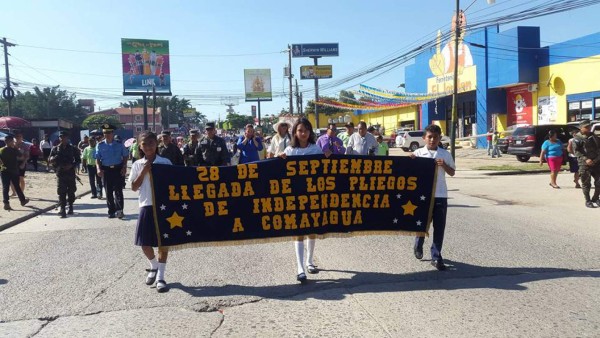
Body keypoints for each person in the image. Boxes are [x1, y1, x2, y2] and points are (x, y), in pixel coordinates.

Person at [278, 117, 331, 284]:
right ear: (295, 132)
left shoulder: (316, 150)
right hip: (295, 196)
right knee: (298, 230)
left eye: (306, 130)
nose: (303, 133)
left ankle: (310, 261)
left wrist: (327, 157)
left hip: (313, 195)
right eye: (300, 130)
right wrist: (280, 159)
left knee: (312, 228)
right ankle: (300, 267)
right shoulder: (290, 151)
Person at [129, 131, 172, 293]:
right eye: (145, 144)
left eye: (151, 143)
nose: (148, 147)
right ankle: (153, 265)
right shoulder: (137, 164)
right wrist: (144, 170)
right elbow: (133, 187)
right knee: (144, 242)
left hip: (163, 207)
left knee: (163, 243)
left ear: (157, 144)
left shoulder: (165, 162)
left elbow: (174, 183)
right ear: (140, 146)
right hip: (146, 205)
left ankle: (161, 276)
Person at [412, 124, 456, 271]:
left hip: (440, 195)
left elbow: (452, 172)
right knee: (422, 224)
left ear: (439, 139)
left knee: (439, 227)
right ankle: (418, 244)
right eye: (429, 137)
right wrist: (409, 160)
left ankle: (436, 257)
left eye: (435, 137)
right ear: (424, 138)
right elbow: (407, 170)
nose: (432, 140)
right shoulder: (418, 153)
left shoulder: (445, 154)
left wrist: (444, 165)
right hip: (423, 195)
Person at [95, 124, 129, 219]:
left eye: (109, 132)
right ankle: (111, 211)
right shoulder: (100, 145)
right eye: (105, 133)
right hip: (106, 170)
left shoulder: (119, 144)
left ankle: (119, 210)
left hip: (118, 169)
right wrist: (98, 168)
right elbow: (97, 158)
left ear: (113, 133)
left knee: (118, 191)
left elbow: (125, 155)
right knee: (108, 191)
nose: (107, 134)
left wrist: (124, 166)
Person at [49, 131, 81, 218]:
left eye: (65, 137)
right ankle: (62, 209)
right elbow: (50, 159)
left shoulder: (72, 148)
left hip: (70, 173)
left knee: (71, 191)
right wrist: (56, 157)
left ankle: (70, 206)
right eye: (61, 137)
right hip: (61, 173)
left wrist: (72, 165)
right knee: (61, 192)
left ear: (67, 138)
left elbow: (78, 160)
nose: (63, 139)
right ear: (59, 138)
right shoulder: (55, 149)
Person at [572, 120, 600, 208]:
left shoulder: (593, 135)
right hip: (585, 164)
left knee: (599, 181)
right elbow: (576, 152)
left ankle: (595, 198)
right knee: (586, 183)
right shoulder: (577, 138)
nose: (588, 128)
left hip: (596, 162)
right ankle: (588, 200)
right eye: (586, 127)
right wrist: (586, 159)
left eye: (589, 126)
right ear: (581, 128)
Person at [0, 135, 29, 210]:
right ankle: (22, 201)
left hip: (4, 170)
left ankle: (6, 203)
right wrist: (16, 148)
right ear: (9, 142)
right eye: (12, 141)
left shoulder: (1, 150)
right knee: (17, 186)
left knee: (5, 187)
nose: (14, 142)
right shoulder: (14, 150)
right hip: (13, 171)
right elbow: (21, 156)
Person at [13, 131, 30, 195]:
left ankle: (21, 192)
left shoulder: (24, 145)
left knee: (21, 178)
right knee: (13, 178)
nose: (18, 138)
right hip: (14, 163)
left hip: (21, 162)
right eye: (17, 136)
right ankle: (14, 192)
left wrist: (23, 163)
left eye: (19, 136)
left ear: (22, 137)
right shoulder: (13, 144)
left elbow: (27, 156)